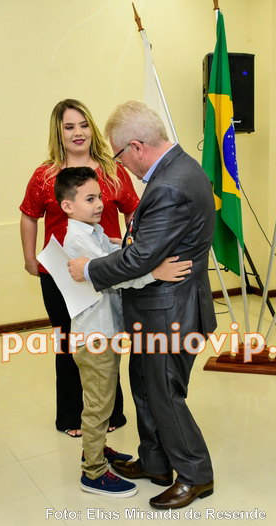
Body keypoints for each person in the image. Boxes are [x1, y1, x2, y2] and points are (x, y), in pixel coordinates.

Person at [67, 100, 217, 510]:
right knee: (146, 388)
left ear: (136, 147)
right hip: (158, 309)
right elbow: (148, 246)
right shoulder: (179, 168)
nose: (122, 165)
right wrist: (127, 246)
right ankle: (156, 463)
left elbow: (141, 258)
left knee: (164, 393)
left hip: (169, 312)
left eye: (120, 155)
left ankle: (195, 474)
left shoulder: (169, 184)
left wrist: (90, 268)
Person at [56, 167, 191, 497]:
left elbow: (112, 259)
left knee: (103, 398)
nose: (99, 204)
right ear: (67, 206)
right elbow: (115, 274)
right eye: (90, 199)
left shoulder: (94, 231)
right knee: (99, 405)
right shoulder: (78, 239)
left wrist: (120, 246)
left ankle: (98, 449)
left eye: (99, 197)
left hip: (107, 331)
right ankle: (93, 472)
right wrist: (155, 272)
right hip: (96, 336)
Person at [20, 99, 140, 437]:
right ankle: (73, 416)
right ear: (58, 132)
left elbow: (133, 212)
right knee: (68, 343)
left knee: (106, 341)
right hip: (59, 276)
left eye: (84, 125)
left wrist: (135, 250)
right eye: (69, 126)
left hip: (104, 273)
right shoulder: (45, 176)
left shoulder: (113, 171)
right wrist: (30, 258)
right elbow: (29, 216)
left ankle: (110, 413)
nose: (78, 132)